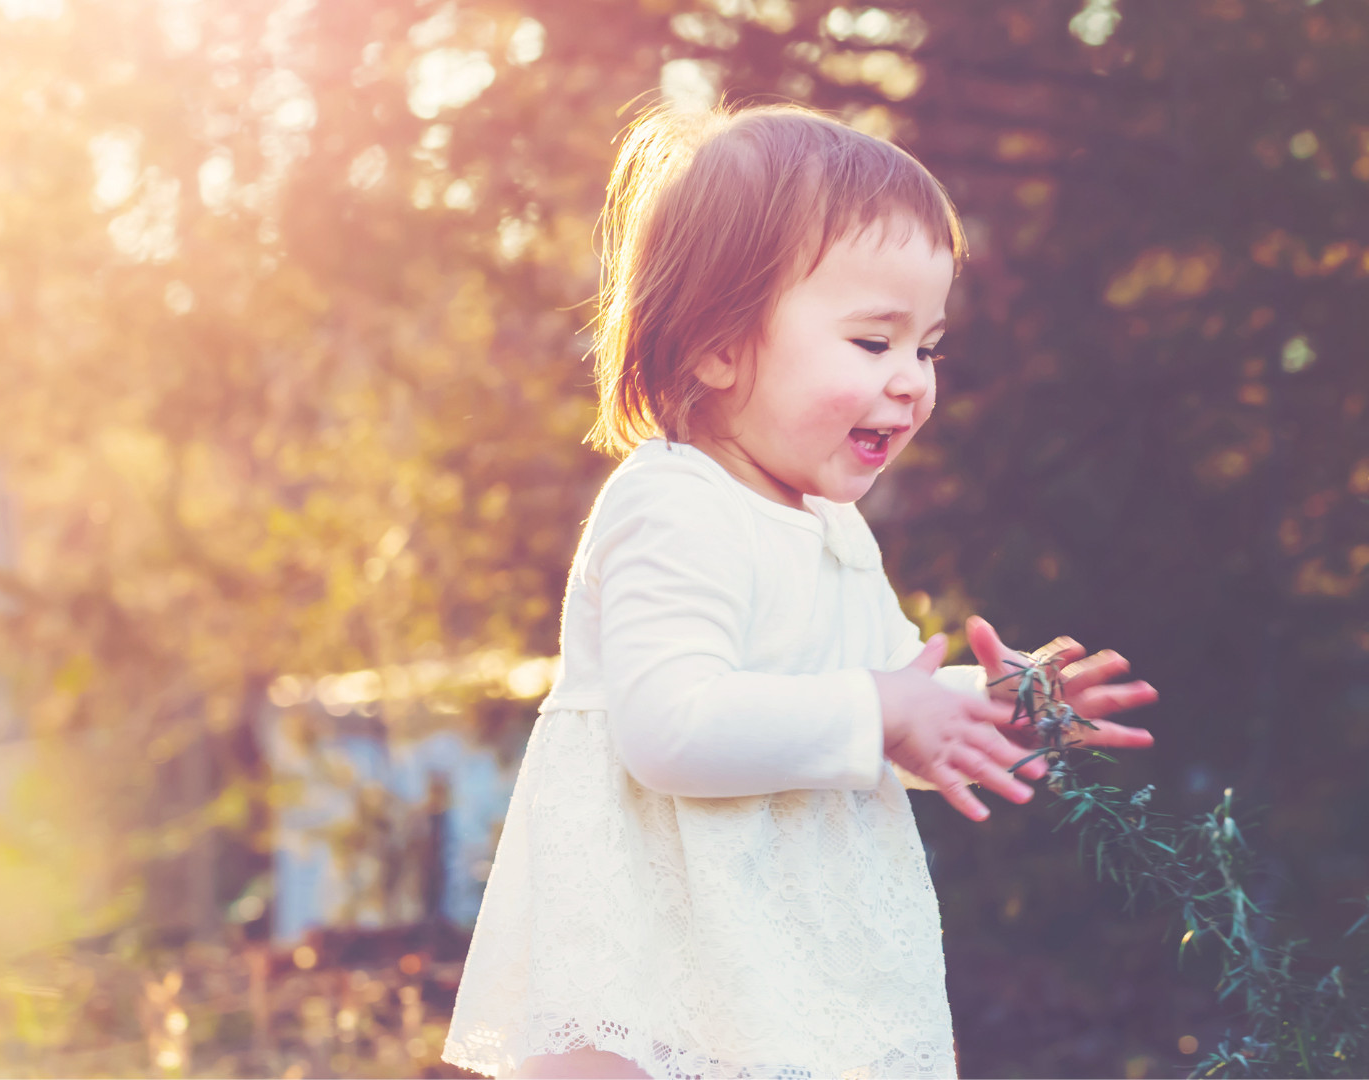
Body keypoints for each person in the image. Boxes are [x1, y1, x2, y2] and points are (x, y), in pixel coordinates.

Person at [439, 102, 1160, 1080]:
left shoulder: (832, 532)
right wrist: (879, 708)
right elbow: (670, 731)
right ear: (716, 345)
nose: (910, 381)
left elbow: (883, 704)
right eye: (873, 343)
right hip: (662, 984)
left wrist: (997, 704)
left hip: (788, 969)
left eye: (927, 347)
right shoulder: (673, 508)